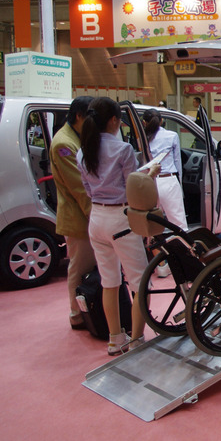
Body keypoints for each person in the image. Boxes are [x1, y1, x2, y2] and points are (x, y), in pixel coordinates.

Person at [77, 97, 159, 355]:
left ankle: (115, 338)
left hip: (97, 219)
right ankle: (136, 339)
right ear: (113, 120)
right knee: (139, 281)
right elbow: (132, 190)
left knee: (109, 282)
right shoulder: (122, 150)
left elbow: (89, 190)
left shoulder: (83, 151)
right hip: (120, 219)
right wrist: (150, 175)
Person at [50, 96, 97, 330]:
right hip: (78, 217)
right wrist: (97, 217)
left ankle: (86, 310)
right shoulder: (63, 144)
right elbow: (80, 189)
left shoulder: (76, 138)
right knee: (79, 268)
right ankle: (76, 313)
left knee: (85, 267)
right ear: (79, 116)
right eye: (90, 116)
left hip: (85, 216)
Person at [142, 108, 188, 231]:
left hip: (149, 181)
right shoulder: (172, 136)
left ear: (144, 122)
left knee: (150, 223)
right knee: (178, 224)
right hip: (169, 180)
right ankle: (181, 248)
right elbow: (177, 162)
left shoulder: (142, 138)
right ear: (162, 121)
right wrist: (180, 185)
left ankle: (154, 249)